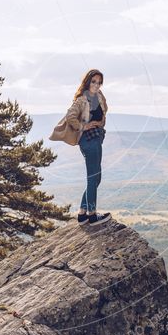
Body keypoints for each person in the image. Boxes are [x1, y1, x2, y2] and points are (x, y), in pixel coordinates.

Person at [65, 69, 111, 226]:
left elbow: (103, 115)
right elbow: (70, 117)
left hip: (97, 138)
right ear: (87, 82)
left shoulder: (99, 96)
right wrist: (84, 126)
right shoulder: (82, 100)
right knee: (93, 177)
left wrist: (99, 123)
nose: (97, 85)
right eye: (94, 81)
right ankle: (92, 215)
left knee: (96, 178)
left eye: (99, 82)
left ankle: (82, 214)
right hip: (88, 141)